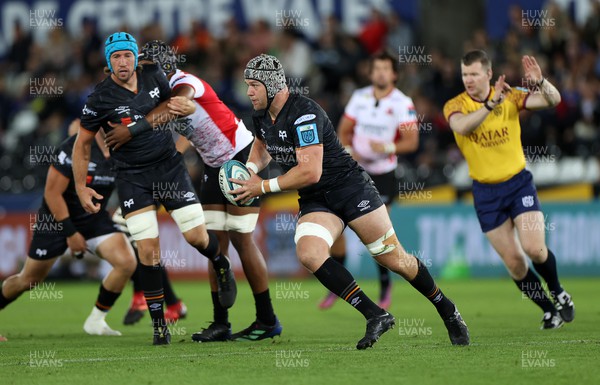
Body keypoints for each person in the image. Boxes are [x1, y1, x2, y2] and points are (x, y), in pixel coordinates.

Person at [230, 54, 470, 349]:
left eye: (254, 85)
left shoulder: (304, 113)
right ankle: (375, 315)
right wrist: (251, 169)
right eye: (247, 85)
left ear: (272, 85)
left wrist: (262, 186)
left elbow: (310, 170)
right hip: (317, 198)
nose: (249, 92)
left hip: (351, 189)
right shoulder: (261, 114)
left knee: (394, 259)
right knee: (309, 253)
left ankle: (447, 308)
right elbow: (263, 142)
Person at [105, 40, 280, 342]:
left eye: (144, 66)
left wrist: (138, 127)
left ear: (161, 67)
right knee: (215, 247)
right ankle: (221, 323)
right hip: (213, 166)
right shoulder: (156, 92)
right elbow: (186, 126)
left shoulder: (185, 83)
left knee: (241, 239)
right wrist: (172, 155)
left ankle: (267, 319)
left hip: (241, 156)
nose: (140, 73)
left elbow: (178, 107)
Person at [73, 32, 235, 345]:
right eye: (116, 56)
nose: (123, 61)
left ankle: (220, 262)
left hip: (169, 169)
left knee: (196, 237)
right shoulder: (99, 98)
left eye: (127, 55)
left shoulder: (154, 76)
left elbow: (178, 107)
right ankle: (160, 327)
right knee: (148, 252)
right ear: (109, 62)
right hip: (132, 177)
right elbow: (82, 143)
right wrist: (81, 187)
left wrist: (134, 131)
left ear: (136, 58)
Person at [443, 50, 574, 329]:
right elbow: (463, 127)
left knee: (535, 249)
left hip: (517, 184)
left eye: (474, 74)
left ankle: (558, 290)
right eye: (465, 74)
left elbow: (554, 100)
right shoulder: (455, 105)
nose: (468, 79)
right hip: (485, 192)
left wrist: (540, 82)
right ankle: (549, 310)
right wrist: (490, 105)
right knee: (515, 264)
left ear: (488, 74)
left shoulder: (511, 95)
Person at [0, 119, 135, 337]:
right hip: (57, 218)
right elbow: (52, 194)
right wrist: (71, 233)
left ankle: (96, 320)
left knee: (126, 263)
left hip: (94, 218)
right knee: (29, 280)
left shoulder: (124, 148)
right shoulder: (76, 146)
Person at [319, 51, 419, 310]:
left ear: (394, 74)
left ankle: (385, 287)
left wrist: (385, 147)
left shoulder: (402, 102)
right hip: (354, 172)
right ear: (370, 72)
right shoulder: (359, 97)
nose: (381, 73)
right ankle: (337, 287)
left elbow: (412, 141)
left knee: (379, 237)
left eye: (386, 69)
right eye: (377, 69)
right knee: (337, 231)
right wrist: (353, 150)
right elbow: (343, 131)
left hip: (383, 175)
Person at [112, 207, 188, 325]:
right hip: (138, 195)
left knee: (122, 228)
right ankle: (173, 304)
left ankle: (140, 295)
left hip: (144, 195)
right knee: (141, 250)